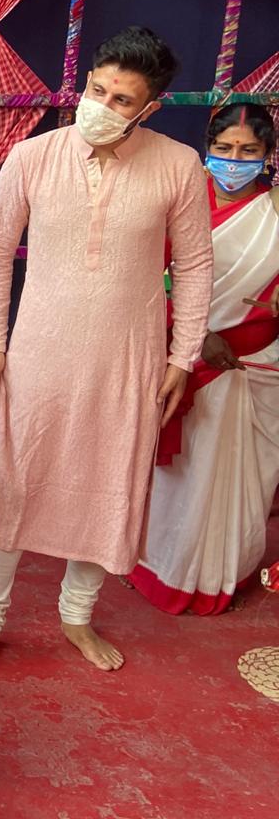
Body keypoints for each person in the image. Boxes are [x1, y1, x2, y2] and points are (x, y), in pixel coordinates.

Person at [0, 27, 213, 675]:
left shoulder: (178, 165)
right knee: (15, 480)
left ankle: (77, 614)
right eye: (98, 90)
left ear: (149, 108)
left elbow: (198, 266)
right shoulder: (32, 157)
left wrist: (182, 359)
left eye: (123, 100)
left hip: (129, 361)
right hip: (37, 354)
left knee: (108, 488)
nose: (104, 105)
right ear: (85, 82)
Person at [132, 103, 279, 614]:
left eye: (248, 152)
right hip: (185, 357)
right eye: (224, 149)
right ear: (207, 148)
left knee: (246, 477)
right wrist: (196, 334)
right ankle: (164, 568)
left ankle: (224, 572)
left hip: (257, 363)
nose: (234, 160)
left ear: (267, 156)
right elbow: (148, 272)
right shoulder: (178, 201)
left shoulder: (276, 213)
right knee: (181, 474)